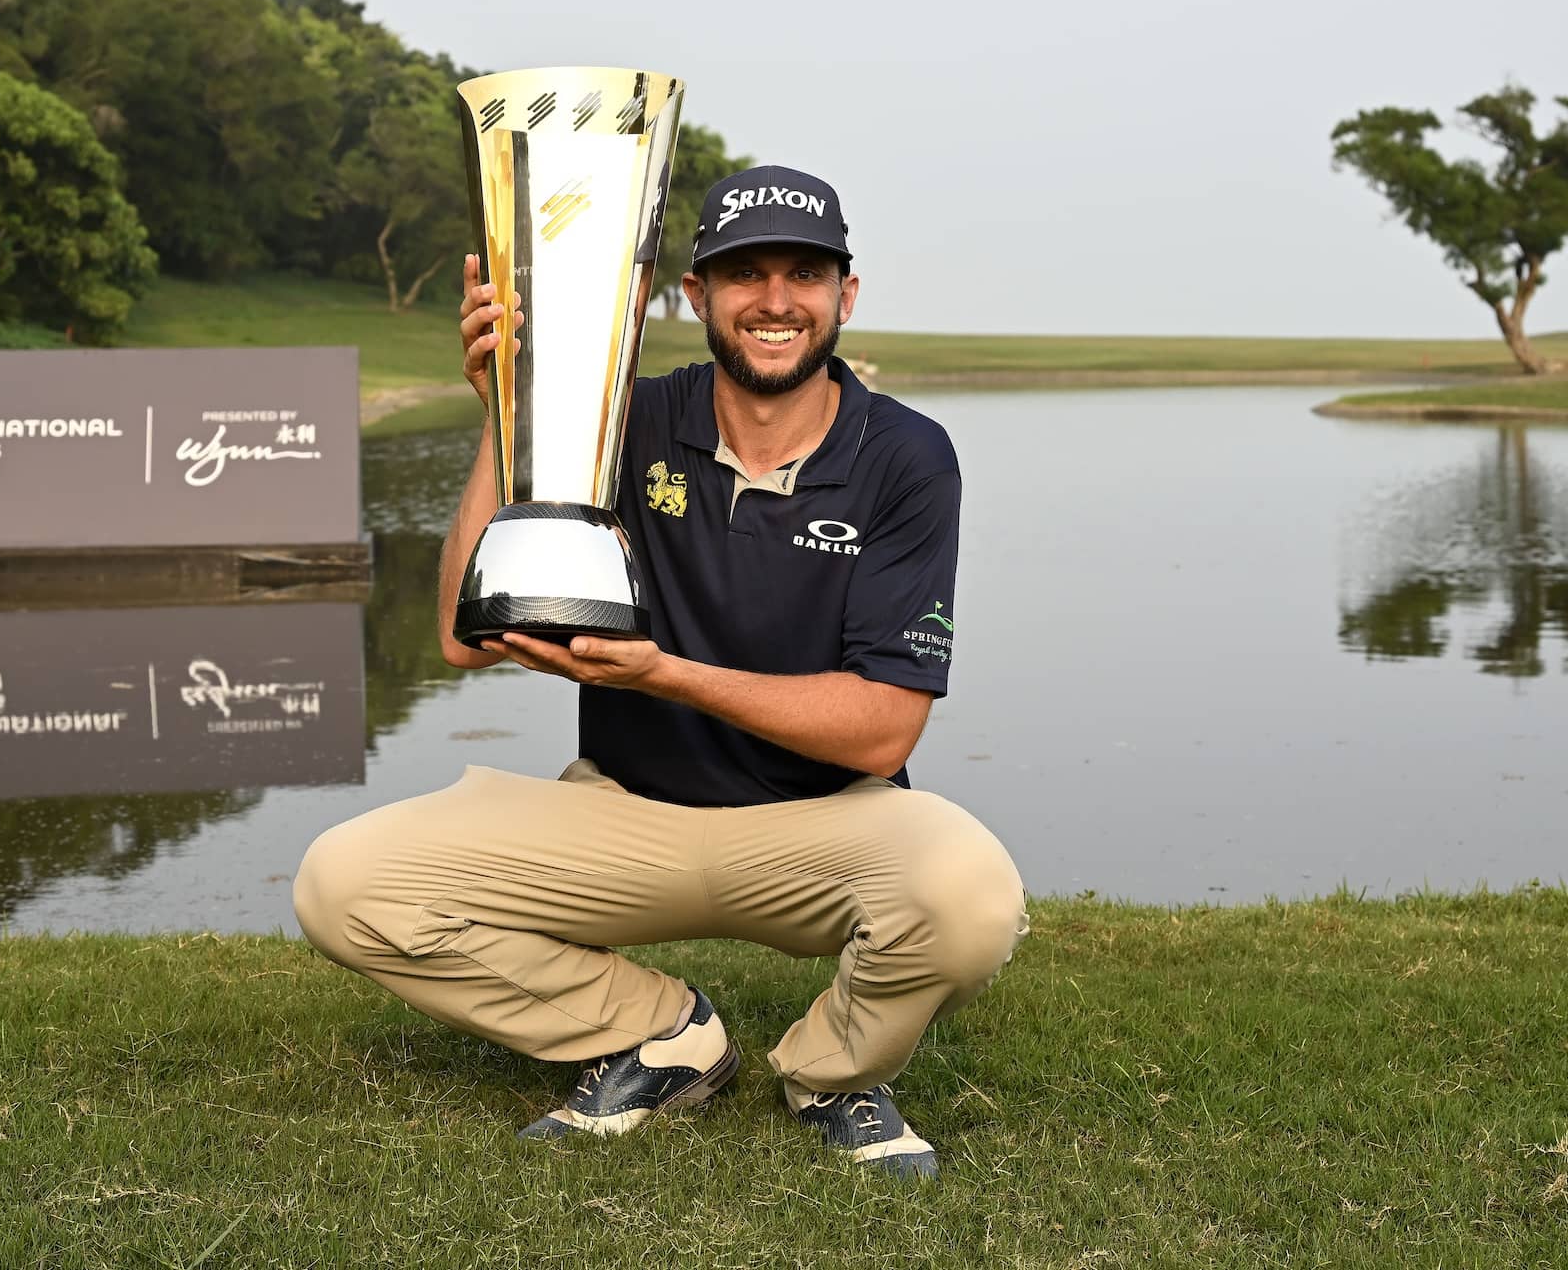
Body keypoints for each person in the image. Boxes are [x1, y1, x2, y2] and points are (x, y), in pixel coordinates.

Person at [293, 165, 1026, 1180]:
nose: (774, 300)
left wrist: (663, 673)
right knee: (346, 883)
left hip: (827, 822)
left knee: (971, 895)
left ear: (844, 296)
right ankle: (661, 1036)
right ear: (697, 296)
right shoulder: (622, 421)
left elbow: (882, 731)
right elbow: (469, 634)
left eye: (803, 273)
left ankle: (833, 1074)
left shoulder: (906, 455)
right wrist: (505, 410)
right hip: (625, 816)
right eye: (743, 274)